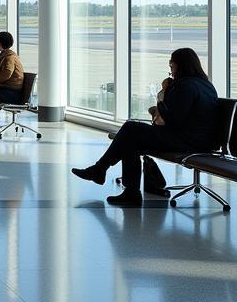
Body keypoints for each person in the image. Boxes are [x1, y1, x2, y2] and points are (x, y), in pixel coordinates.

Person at [73, 48, 218, 206]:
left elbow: (172, 119)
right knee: (131, 139)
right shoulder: (206, 85)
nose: (171, 71)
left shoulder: (185, 86)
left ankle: (106, 175)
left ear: (179, 65)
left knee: (130, 129)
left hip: (187, 141)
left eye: (171, 66)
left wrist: (162, 96)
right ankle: (114, 181)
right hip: (199, 140)